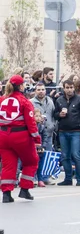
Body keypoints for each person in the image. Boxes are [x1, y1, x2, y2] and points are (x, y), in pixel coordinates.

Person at [0, 75, 41, 203]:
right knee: (31, 161)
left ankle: (6, 193)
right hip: (20, 136)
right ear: (21, 86)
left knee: (8, 165)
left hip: (3, 136)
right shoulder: (25, 102)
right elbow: (31, 124)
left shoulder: (2, 100)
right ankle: (25, 189)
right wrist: (37, 139)